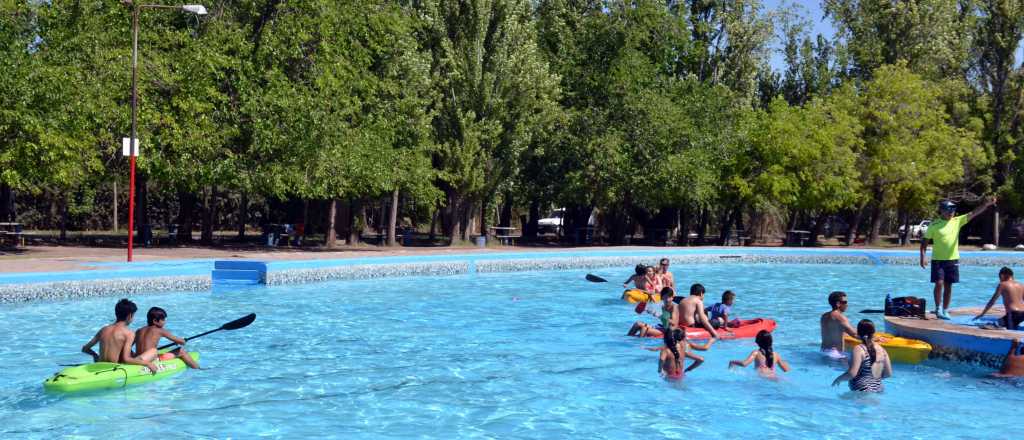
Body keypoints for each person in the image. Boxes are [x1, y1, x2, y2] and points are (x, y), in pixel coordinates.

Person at [920, 196, 997, 320]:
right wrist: (922, 257)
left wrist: (986, 204)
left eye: (953, 211)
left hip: (952, 259)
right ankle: (938, 308)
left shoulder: (957, 221)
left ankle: (945, 309)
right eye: (949, 211)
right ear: (942, 211)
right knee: (939, 283)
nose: (951, 213)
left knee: (949, 285)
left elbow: (973, 213)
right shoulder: (934, 225)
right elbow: (924, 243)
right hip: (938, 260)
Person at [81, 298, 158, 374]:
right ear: (130, 316)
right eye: (133, 316)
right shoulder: (128, 333)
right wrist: (148, 364)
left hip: (100, 365)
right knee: (153, 351)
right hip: (115, 368)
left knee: (131, 353)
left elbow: (85, 348)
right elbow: (126, 359)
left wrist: (95, 356)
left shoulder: (104, 329)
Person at [832, 320, 892, 392]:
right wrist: (872, 380)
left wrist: (838, 379)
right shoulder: (882, 350)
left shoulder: (859, 349)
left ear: (858, 334)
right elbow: (888, 374)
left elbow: (852, 373)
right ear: (873, 333)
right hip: (878, 389)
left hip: (861, 389)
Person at [135, 307, 200, 369]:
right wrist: (182, 340)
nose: (164, 322)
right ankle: (198, 368)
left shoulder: (139, 331)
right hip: (150, 360)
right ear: (155, 321)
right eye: (163, 320)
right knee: (181, 350)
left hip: (138, 359)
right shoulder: (159, 330)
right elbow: (181, 342)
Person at [820, 291, 857, 359]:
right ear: (838, 304)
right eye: (845, 302)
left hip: (823, 351)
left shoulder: (824, 316)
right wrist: (871, 338)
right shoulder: (840, 317)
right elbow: (854, 334)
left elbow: (832, 331)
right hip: (835, 354)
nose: (847, 305)